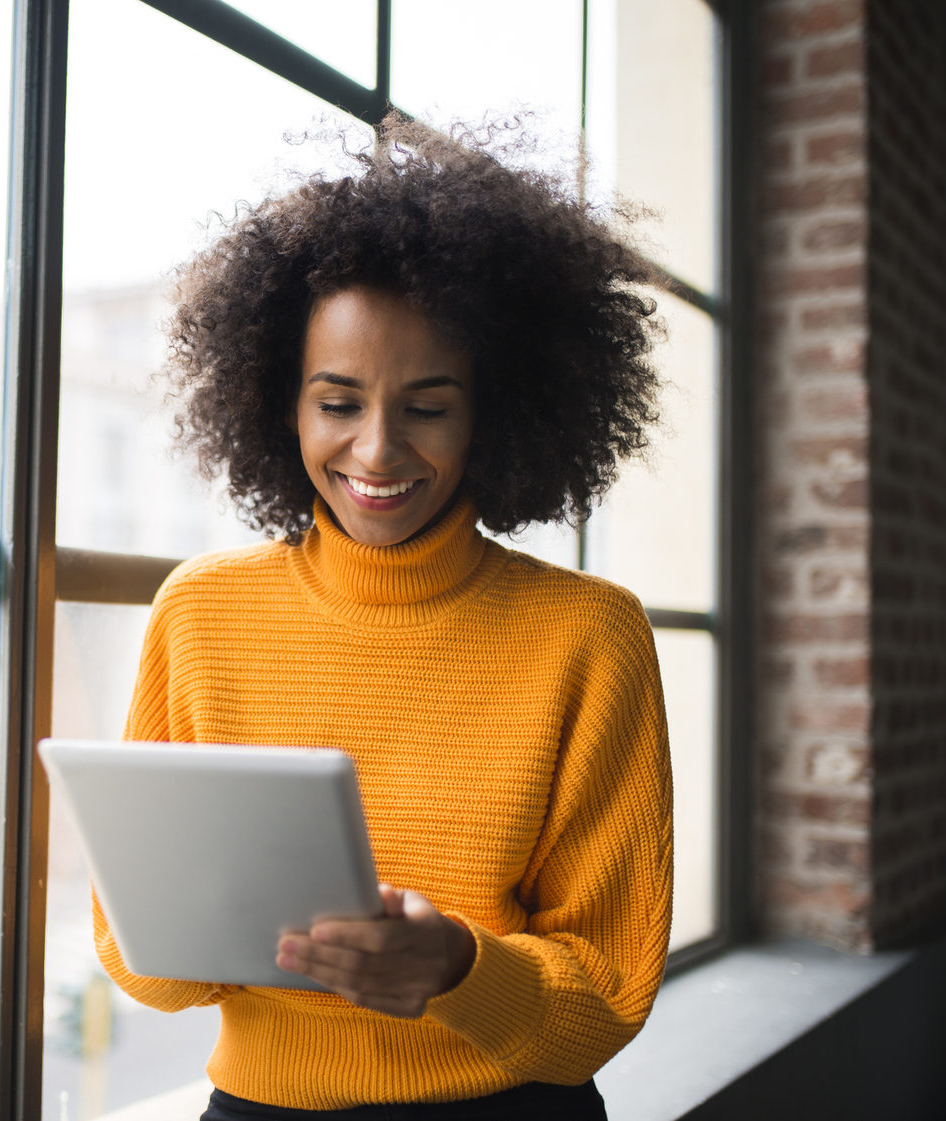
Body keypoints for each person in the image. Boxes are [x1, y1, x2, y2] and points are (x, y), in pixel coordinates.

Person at [93, 115, 674, 1121]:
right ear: (279, 403)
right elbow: (147, 970)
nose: (377, 448)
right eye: (338, 400)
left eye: (430, 405)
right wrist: (192, 933)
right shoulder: (201, 612)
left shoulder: (588, 634)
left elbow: (607, 998)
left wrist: (458, 967)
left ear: (496, 410)